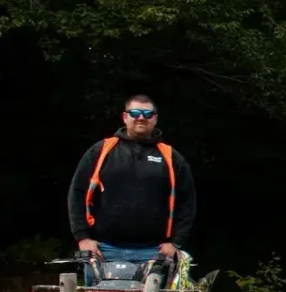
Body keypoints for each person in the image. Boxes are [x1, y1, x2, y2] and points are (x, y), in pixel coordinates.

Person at [68, 94, 198, 279]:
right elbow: (76, 194)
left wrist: (176, 243)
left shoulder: (171, 157)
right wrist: (82, 238)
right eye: (135, 113)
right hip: (102, 250)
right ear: (125, 117)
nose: (141, 118)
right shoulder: (101, 150)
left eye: (147, 113)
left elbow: (187, 203)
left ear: (155, 118)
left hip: (154, 252)